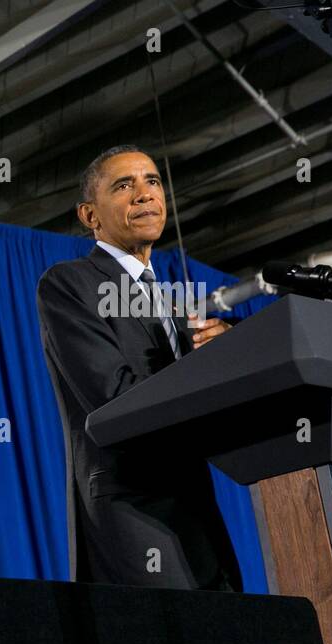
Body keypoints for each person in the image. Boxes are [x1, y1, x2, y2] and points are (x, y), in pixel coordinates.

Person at [36, 145, 241, 590]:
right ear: (90, 216)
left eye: (152, 181)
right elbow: (113, 396)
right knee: (167, 642)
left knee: (225, 639)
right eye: (124, 185)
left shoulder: (172, 303)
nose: (144, 194)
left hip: (195, 500)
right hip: (132, 502)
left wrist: (227, 353)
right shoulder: (70, 284)